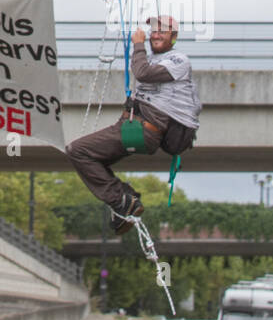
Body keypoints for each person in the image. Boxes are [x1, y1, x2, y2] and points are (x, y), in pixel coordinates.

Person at [65, 15, 201, 233]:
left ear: (173, 37)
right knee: (92, 159)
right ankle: (125, 200)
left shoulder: (178, 60)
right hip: (135, 127)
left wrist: (138, 44)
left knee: (77, 150)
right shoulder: (152, 58)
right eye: (153, 31)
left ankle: (123, 200)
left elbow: (143, 73)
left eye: (162, 31)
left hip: (142, 129)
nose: (155, 34)